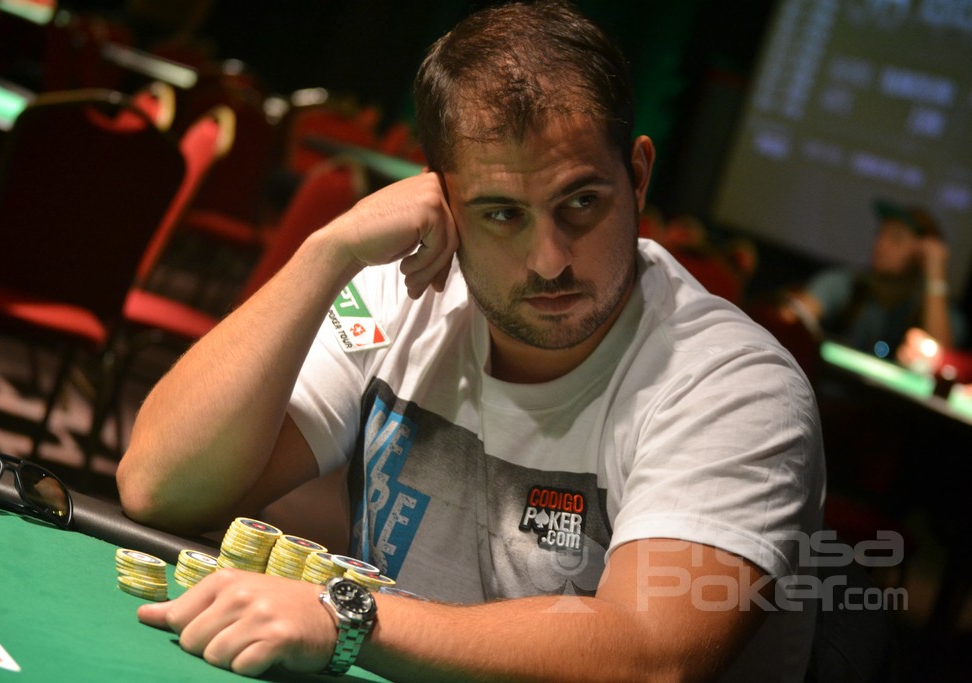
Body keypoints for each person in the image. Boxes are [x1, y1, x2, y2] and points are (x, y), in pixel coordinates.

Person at [116, 2, 825, 681]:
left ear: (637, 177)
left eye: (581, 202)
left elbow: (649, 654)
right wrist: (327, 253)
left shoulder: (735, 386)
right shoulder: (399, 293)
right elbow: (162, 487)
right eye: (501, 214)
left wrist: (346, 618)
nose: (549, 260)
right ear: (443, 201)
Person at [781, 199, 966, 357]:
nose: (880, 244)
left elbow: (941, 359)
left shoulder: (932, 311)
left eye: (896, 239)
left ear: (923, 254)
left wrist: (935, 272)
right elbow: (795, 317)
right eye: (880, 234)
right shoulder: (847, 285)